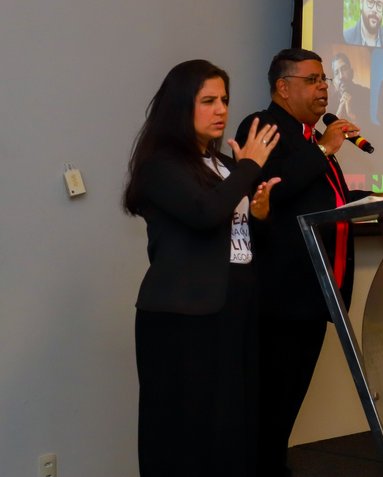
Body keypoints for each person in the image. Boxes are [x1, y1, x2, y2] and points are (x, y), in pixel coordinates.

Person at [125, 59, 280, 477]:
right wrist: (251, 166)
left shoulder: (224, 166)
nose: (221, 110)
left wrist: (260, 214)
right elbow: (203, 213)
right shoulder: (161, 166)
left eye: (225, 100)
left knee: (233, 427)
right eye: (208, 100)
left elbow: (239, 243)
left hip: (234, 311)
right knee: (185, 434)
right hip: (183, 318)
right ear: (181, 107)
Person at [234, 49, 369, 477]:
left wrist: (373, 202)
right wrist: (327, 149)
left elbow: (321, 202)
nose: (324, 86)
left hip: (313, 295)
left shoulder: (310, 137)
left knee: (283, 412)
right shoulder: (264, 127)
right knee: (269, 411)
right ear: (283, 87)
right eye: (312, 80)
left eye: (324, 78)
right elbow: (272, 190)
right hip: (281, 300)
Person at [331, 51, 370, 122]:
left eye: (343, 69)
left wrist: (351, 114)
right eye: (336, 73)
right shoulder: (330, 102)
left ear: (351, 72)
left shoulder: (367, 94)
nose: (341, 76)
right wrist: (337, 116)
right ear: (334, 81)